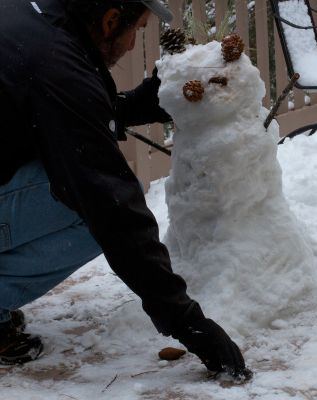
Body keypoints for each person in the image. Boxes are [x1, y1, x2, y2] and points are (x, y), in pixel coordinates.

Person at [0, 0, 250, 380]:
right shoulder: (51, 60)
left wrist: (131, 106)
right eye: (137, 29)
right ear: (110, 19)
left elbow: (50, 110)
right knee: (92, 208)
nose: (134, 45)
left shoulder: (30, 19)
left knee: (87, 193)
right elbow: (110, 203)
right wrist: (185, 321)